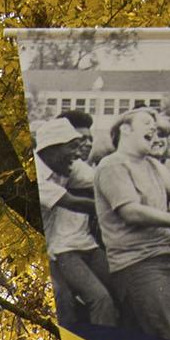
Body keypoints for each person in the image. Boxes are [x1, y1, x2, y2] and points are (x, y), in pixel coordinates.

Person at [94, 110, 170, 340]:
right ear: (125, 130)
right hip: (137, 265)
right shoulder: (112, 165)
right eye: (147, 123)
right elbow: (131, 212)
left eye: (156, 127)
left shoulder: (152, 164)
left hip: (169, 260)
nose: (154, 130)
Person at [34, 117, 115, 327]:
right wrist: (120, 208)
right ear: (51, 149)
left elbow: (100, 180)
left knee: (117, 287)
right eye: (72, 148)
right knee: (64, 297)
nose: (78, 154)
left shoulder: (66, 165)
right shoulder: (37, 177)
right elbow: (74, 203)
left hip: (65, 248)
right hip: (47, 254)